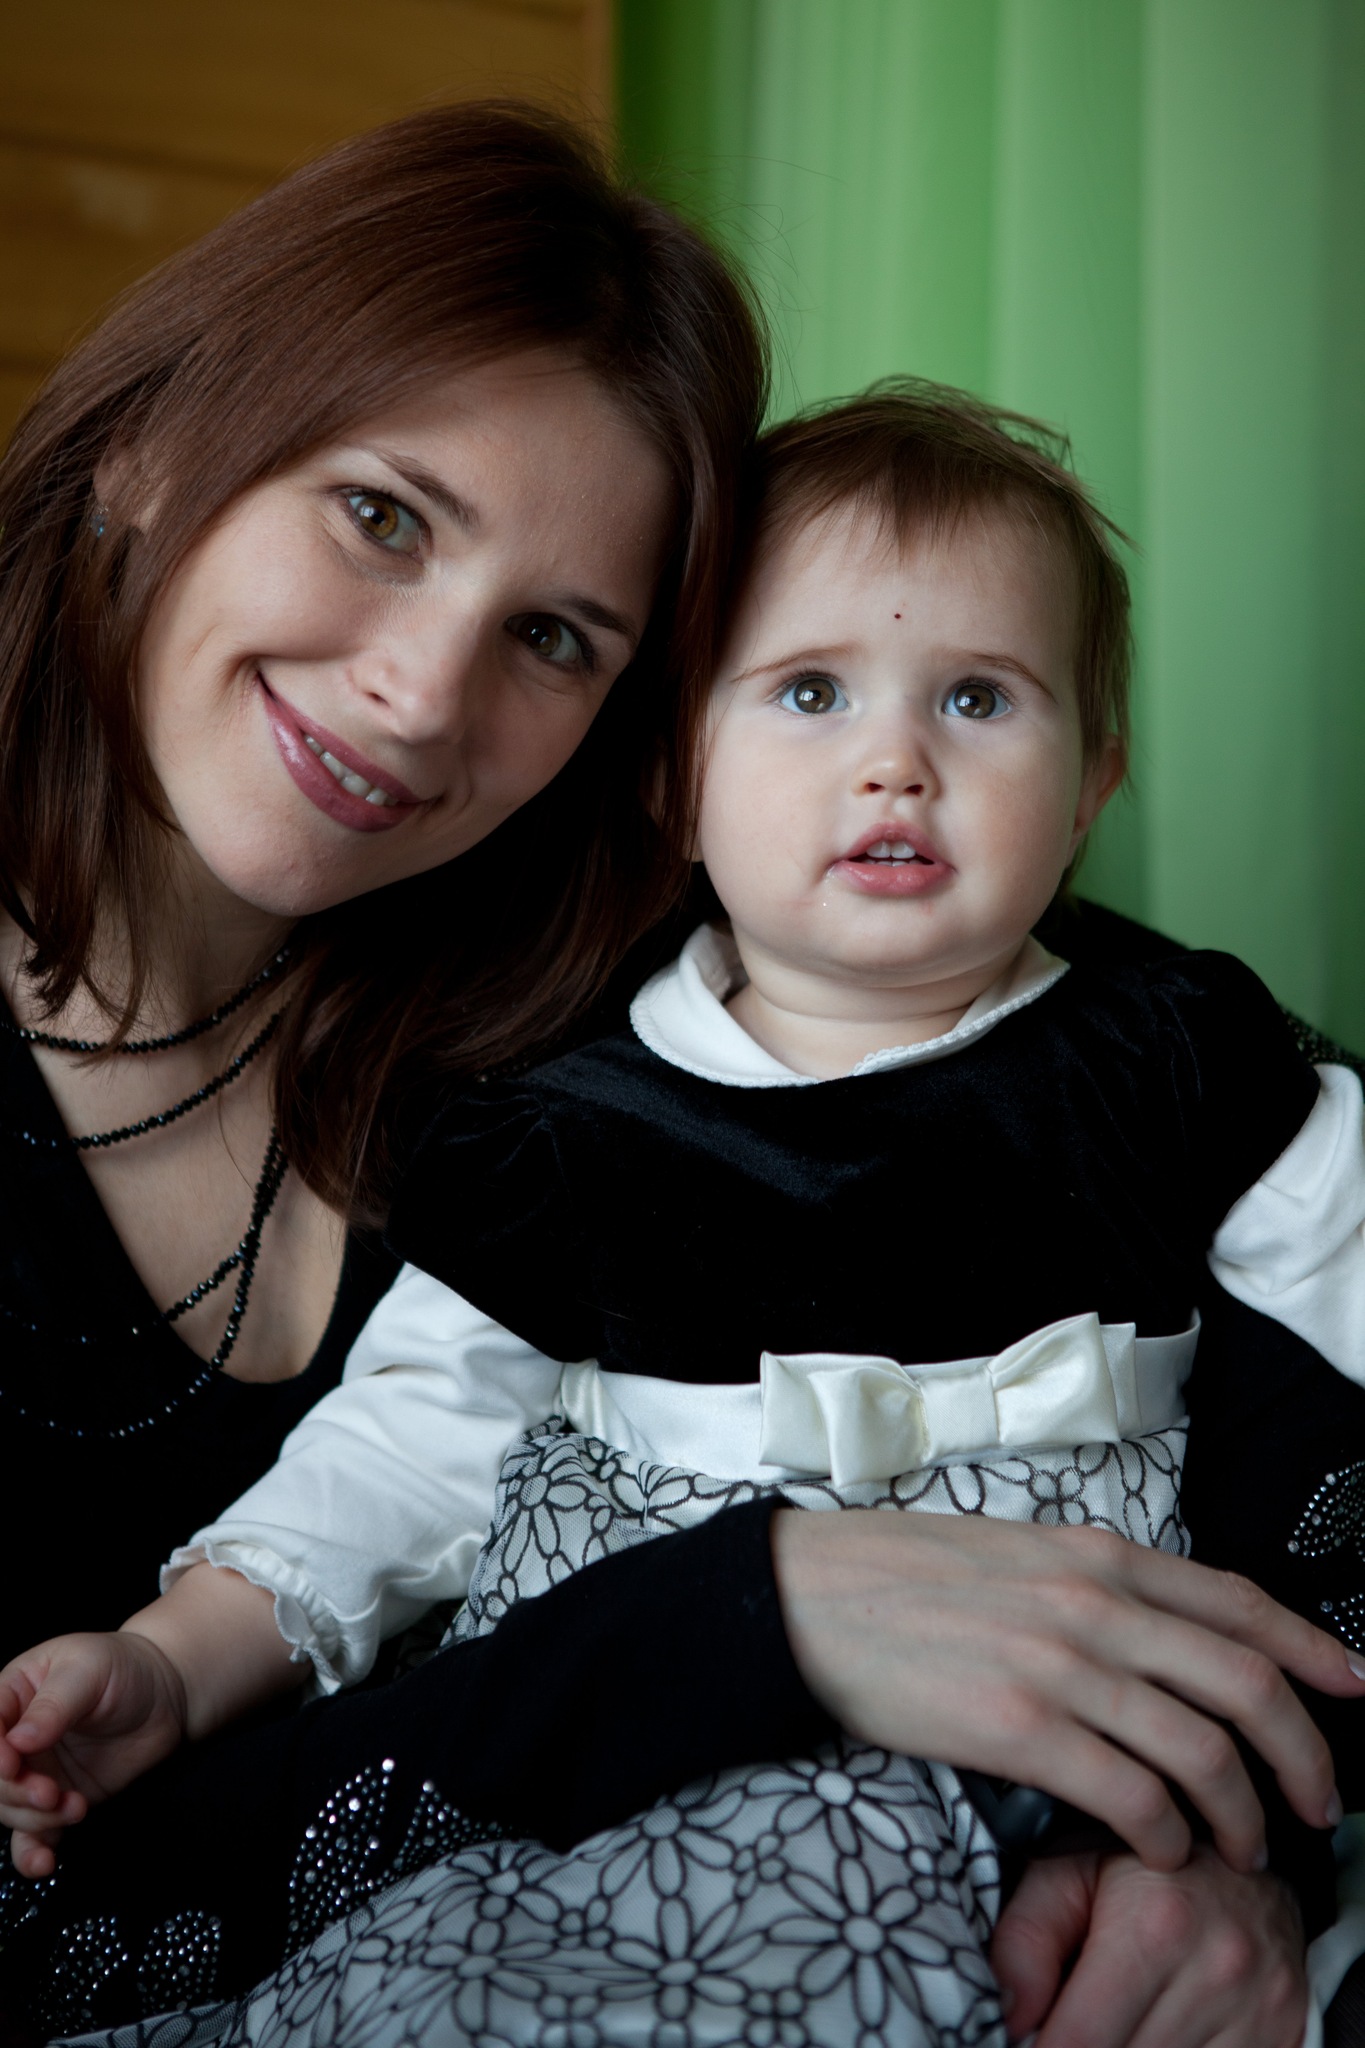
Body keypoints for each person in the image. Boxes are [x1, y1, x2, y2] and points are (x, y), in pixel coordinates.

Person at [4, 386, 1363, 2048]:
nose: (894, 761)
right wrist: (173, 1659)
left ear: (1091, 783)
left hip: (1081, 1749)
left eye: (976, 698)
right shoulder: (570, 1126)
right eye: (808, 692)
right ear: (675, 776)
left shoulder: (1179, 1061)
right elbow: (404, 1452)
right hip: (652, 1785)